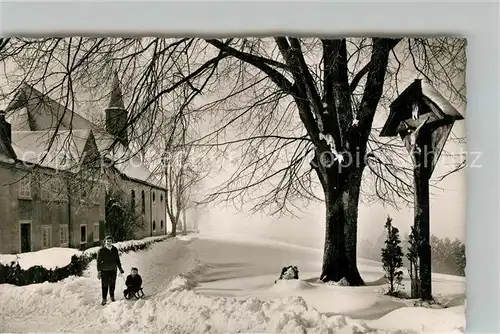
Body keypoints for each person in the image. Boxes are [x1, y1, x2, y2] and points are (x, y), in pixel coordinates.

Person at [97, 235, 124, 305]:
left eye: (110, 241)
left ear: (112, 242)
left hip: (113, 270)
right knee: (104, 285)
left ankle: (112, 296)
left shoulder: (114, 249)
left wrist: (120, 268)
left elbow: (117, 260)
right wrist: (99, 271)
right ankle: (104, 298)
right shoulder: (101, 250)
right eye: (107, 241)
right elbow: (98, 262)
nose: (109, 242)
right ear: (104, 242)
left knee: (112, 284)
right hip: (104, 271)